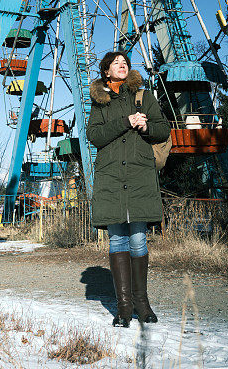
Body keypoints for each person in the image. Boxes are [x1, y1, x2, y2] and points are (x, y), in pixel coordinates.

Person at [86, 50, 171, 327]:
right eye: (115, 63)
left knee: (138, 240)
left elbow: (163, 130)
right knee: (117, 241)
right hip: (111, 178)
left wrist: (146, 126)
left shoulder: (144, 97)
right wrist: (126, 122)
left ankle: (142, 305)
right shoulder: (100, 103)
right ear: (106, 71)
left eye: (125, 63)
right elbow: (95, 136)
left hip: (138, 176)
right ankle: (123, 308)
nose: (121, 66)